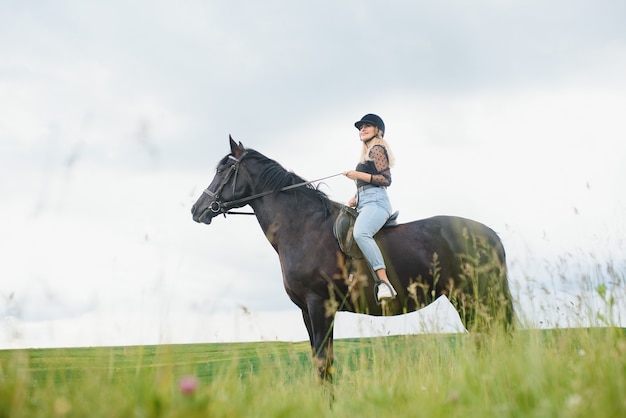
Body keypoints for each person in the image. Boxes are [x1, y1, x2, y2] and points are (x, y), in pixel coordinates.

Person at [343, 114, 398, 301]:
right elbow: (367, 186)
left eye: (367, 126)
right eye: (361, 127)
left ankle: (385, 283)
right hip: (364, 201)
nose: (362, 129)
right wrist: (356, 197)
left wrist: (357, 174)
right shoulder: (366, 153)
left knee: (361, 233)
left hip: (377, 203)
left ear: (377, 130)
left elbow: (385, 179)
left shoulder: (377, 149)